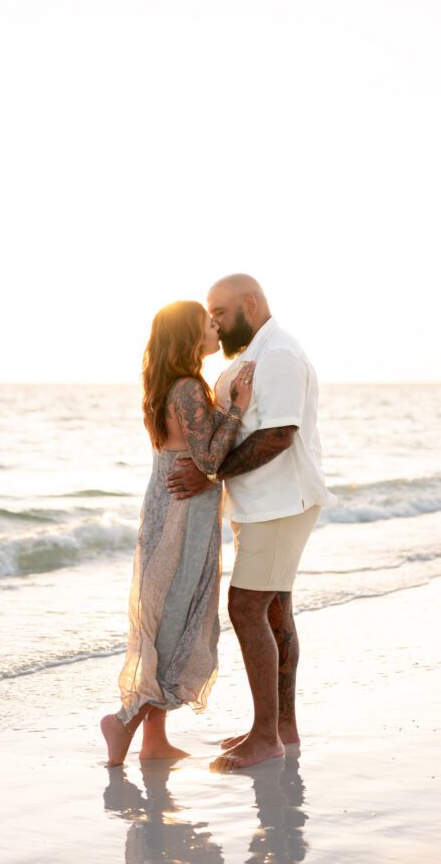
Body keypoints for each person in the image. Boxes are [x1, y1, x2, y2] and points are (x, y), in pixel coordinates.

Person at [167, 274, 335, 771]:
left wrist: (210, 472)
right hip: (262, 504)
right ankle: (281, 726)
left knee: (245, 608)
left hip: (282, 501)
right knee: (275, 610)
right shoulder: (252, 355)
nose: (213, 321)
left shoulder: (278, 353)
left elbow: (280, 435)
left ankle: (266, 737)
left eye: (218, 312)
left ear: (250, 304)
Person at [100, 300, 255, 767]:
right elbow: (208, 461)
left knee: (169, 614)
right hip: (182, 516)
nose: (215, 329)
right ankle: (123, 721)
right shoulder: (188, 388)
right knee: (174, 617)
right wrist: (236, 410)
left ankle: (154, 741)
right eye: (208, 324)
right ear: (190, 336)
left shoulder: (171, 385)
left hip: (177, 508)